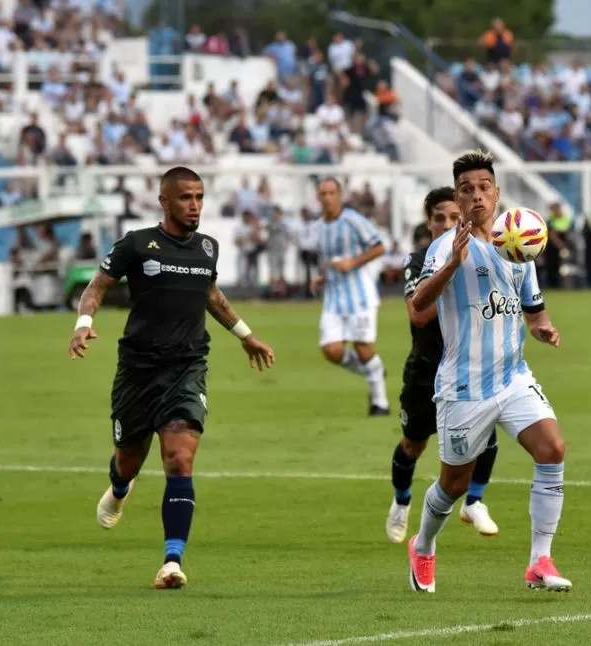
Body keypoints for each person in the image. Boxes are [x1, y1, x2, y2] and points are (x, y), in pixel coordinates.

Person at [67, 166, 276, 590]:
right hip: (138, 369)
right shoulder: (137, 244)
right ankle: (120, 487)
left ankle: (171, 561)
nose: (194, 205)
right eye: (185, 198)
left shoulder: (207, 248)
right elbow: (97, 286)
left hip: (187, 365)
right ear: (164, 201)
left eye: (199, 197)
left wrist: (245, 336)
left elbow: (211, 295)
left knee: (179, 457)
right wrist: (83, 321)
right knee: (129, 458)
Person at [406, 150, 571, 594]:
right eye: (466, 190)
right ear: (457, 199)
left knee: (552, 449)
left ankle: (539, 561)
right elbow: (418, 306)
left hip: (513, 377)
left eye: (483, 188)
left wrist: (543, 328)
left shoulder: (520, 243)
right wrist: (452, 267)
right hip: (464, 386)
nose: (476, 196)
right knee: (453, 484)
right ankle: (422, 546)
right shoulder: (444, 248)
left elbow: (534, 311)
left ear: (496, 193)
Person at [387, 187, 500, 545]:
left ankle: (476, 500)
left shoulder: (482, 257)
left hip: (468, 368)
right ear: (428, 221)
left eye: (455, 217)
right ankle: (402, 502)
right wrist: (453, 282)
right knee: (413, 444)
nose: (448, 224)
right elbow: (418, 315)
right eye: (440, 218)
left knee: (488, 435)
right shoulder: (420, 261)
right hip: (426, 369)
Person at [311, 177, 389, 415]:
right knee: (331, 349)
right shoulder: (319, 227)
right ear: (318, 197)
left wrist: (353, 262)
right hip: (334, 297)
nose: (327, 198)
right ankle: (374, 371)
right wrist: (322, 277)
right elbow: (331, 260)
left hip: (359, 296)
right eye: (323, 193)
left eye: (331, 193)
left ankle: (380, 403)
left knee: (364, 349)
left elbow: (379, 247)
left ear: (339, 195)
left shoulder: (354, 221)